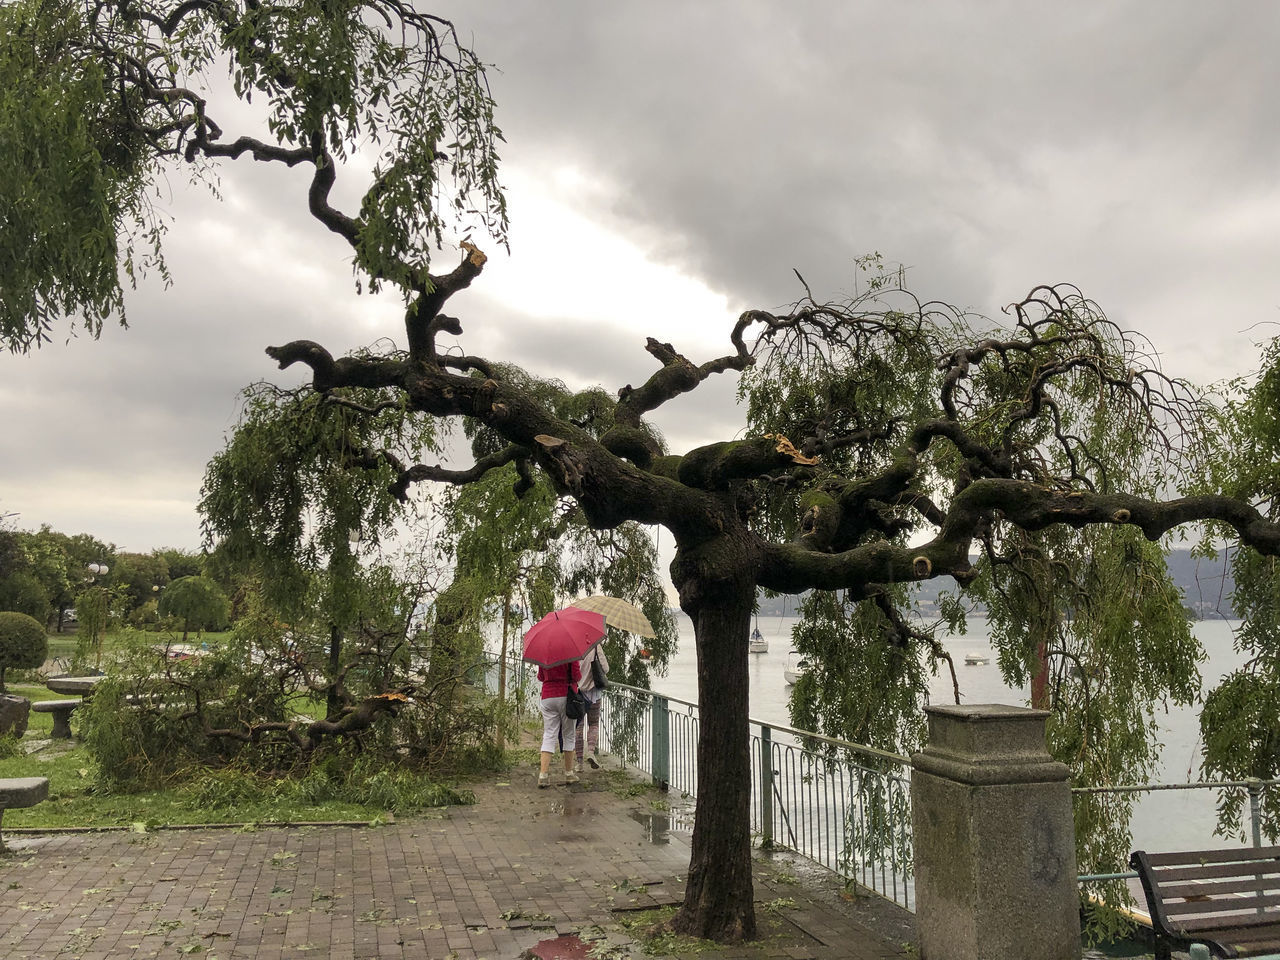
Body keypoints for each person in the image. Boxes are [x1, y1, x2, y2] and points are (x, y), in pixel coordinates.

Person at [536, 658, 581, 788]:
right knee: (568, 735)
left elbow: (540, 676)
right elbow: (577, 676)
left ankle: (543, 775)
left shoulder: (545, 653)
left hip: (548, 696)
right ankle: (568, 773)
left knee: (549, 734)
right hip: (567, 696)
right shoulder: (570, 654)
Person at [574, 643, 609, 772]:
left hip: (578, 695)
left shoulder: (575, 646)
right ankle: (590, 752)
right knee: (593, 724)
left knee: (578, 727)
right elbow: (605, 668)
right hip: (594, 694)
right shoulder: (595, 646)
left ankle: (579, 764)